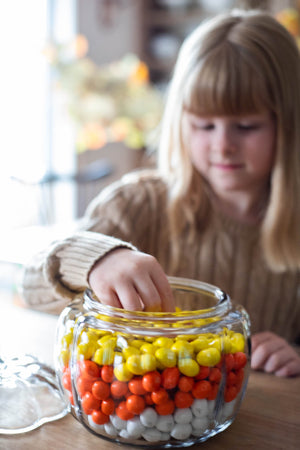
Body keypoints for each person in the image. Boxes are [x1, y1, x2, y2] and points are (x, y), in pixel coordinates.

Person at [22, 9, 300, 377]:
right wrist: (94, 261)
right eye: (204, 125)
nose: (223, 146)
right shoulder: (139, 204)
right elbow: (31, 286)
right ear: (179, 121)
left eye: (246, 126)